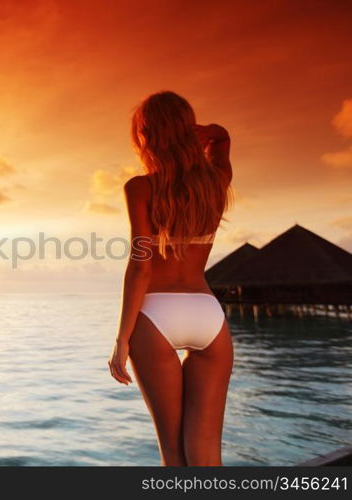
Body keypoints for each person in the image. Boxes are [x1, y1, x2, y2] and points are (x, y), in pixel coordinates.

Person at [108, 90, 234, 466]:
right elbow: (222, 137)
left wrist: (121, 339)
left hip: (156, 315)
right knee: (206, 453)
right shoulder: (216, 181)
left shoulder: (140, 187)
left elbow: (141, 266)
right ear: (186, 129)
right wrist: (206, 130)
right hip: (208, 315)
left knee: (173, 454)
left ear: (146, 136)